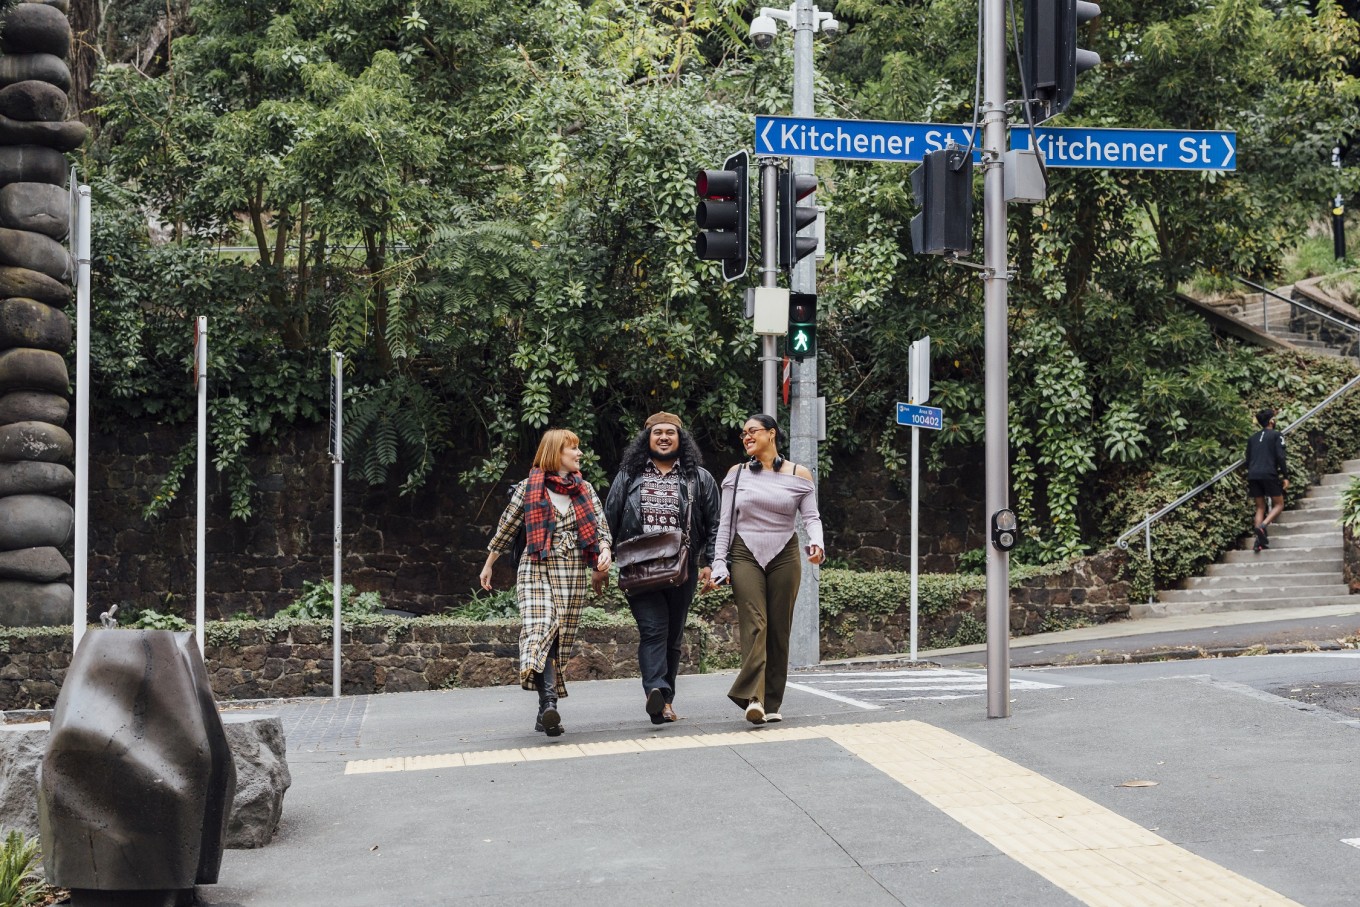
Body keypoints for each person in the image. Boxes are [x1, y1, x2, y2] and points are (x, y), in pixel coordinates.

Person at [480, 429, 612, 737]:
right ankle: (550, 700)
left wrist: (604, 551)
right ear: (555, 453)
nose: (579, 454)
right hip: (536, 567)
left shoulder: (585, 489)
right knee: (540, 627)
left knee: (557, 636)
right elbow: (506, 528)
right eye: (572, 449)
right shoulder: (530, 488)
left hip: (573, 570)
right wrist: (488, 565)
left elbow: (601, 528)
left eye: (578, 449)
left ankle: (545, 710)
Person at [703, 413, 825, 725]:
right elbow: (726, 523)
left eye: (752, 431)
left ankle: (771, 702)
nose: (746, 437)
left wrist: (817, 543)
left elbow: (811, 517)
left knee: (779, 629)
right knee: (755, 623)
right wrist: (719, 562)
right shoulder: (738, 473)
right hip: (746, 552)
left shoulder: (800, 474)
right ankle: (752, 699)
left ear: (771, 434)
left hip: (785, 552)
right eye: (743, 433)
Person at [604, 412, 721, 725]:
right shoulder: (628, 476)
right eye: (658, 433)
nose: (664, 437)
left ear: (681, 438)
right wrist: (601, 557)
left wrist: (710, 562)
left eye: (671, 432)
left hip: (682, 568)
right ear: (648, 439)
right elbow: (608, 518)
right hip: (639, 567)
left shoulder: (699, 478)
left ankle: (664, 702)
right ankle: (655, 690)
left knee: (673, 636)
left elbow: (715, 525)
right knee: (653, 630)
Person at [1245, 407, 1289, 553]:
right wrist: (1286, 476)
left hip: (1253, 474)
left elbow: (1248, 459)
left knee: (1260, 507)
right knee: (1279, 504)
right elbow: (1280, 456)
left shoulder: (1252, 438)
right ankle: (1262, 527)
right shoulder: (1277, 435)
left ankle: (1258, 543)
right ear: (1271, 421)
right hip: (1269, 474)